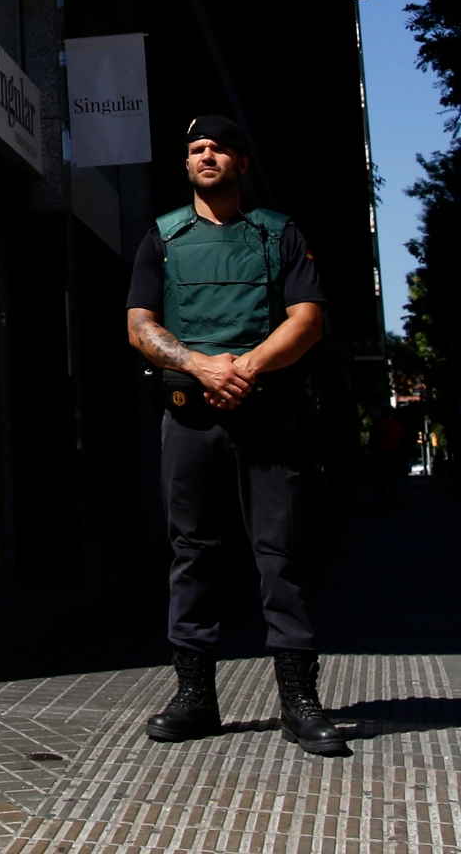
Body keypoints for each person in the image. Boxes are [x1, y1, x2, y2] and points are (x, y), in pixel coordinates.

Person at [125, 115, 347, 755]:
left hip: (266, 414)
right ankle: (195, 698)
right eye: (195, 149)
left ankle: (300, 705)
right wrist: (199, 366)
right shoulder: (163, 238)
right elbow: (140, 324)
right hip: (190, 419)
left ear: (241, 163)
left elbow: (307, 320)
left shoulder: (279, 235)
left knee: (282, 556)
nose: (205, 156)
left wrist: (242, 368)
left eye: (218, 148)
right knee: (190, 554)